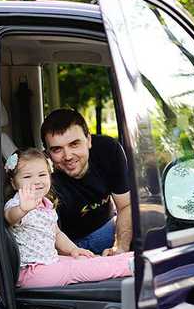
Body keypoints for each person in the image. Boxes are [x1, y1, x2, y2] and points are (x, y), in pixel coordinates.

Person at [3, 148, 133, 288]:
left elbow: (57, 233)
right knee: (83, 269)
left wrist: (73, 250)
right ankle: (132, 266)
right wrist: (22, 209)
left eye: (42, 175)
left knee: (86, 259)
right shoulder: (17, 204)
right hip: (31, 272)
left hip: (49, 262)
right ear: (14, 183)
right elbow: (9, 217)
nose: (37, 181)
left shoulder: (46, 204)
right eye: (27, 177)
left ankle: (128, 259)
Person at [40, 108, 132, 255]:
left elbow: (126, 205)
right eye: (57, 149)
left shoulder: (108, 150)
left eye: (74, 144)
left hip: (110, 227)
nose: (68, 156)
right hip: (70, 247)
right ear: (48, 154)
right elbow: (50, 240)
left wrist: (120, 248)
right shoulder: (43, 178)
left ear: (89, 140)